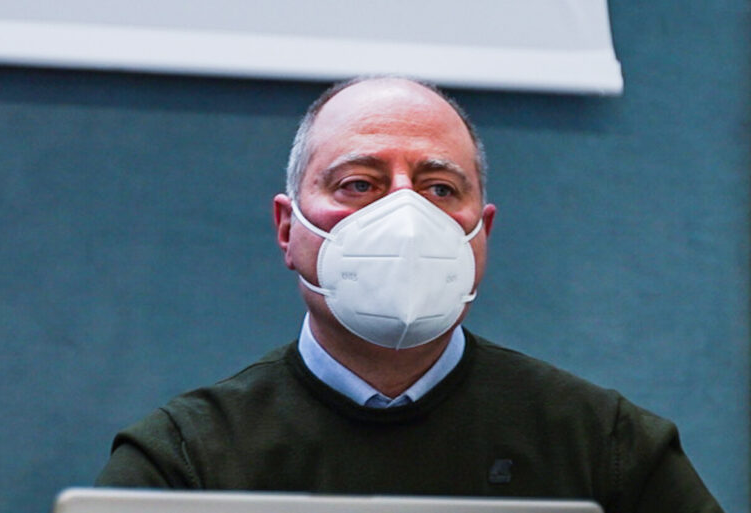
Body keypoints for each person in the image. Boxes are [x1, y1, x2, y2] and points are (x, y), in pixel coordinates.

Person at [96, 77, 724, 512]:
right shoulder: (184, 462)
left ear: (482, 234)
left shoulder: (605, 449)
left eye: (440, 189)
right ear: (288, 229)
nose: (405, 215)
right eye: (359, 183)